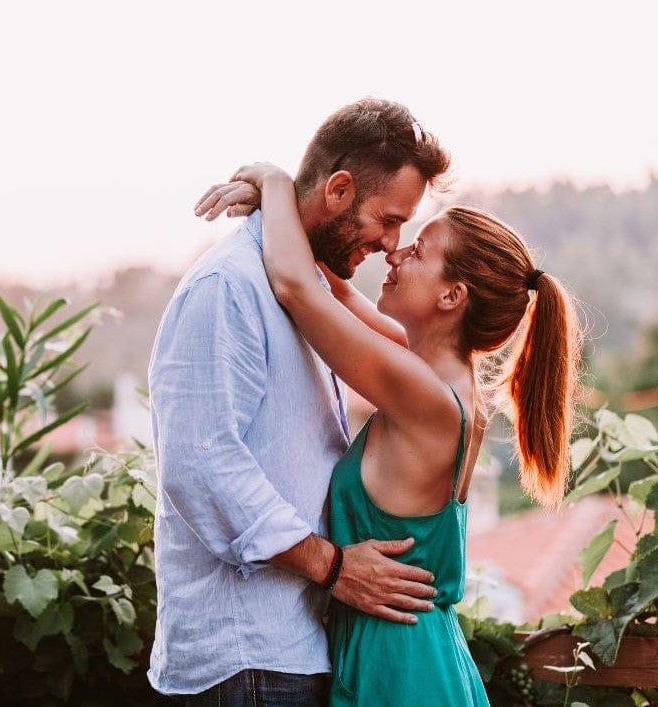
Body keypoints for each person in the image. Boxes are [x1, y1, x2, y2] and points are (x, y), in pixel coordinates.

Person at [193, 162, 581, 705]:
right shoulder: (438, 381)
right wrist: (291, 209)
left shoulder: (427, 397)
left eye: (418, 251)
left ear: (452, 296)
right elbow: (332, 290)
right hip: (411, 654)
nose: (395, 255)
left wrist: (275, 179)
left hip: (400, 668)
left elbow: (297, 288)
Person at [147, 98, 451, 706]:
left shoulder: (308, 289)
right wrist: (332, 566)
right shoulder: (229, 286)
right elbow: (202, 464)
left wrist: (274, 183)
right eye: (389, 219)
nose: (392, 244)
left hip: (295, 647)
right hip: (246, 658)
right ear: (338, 189)